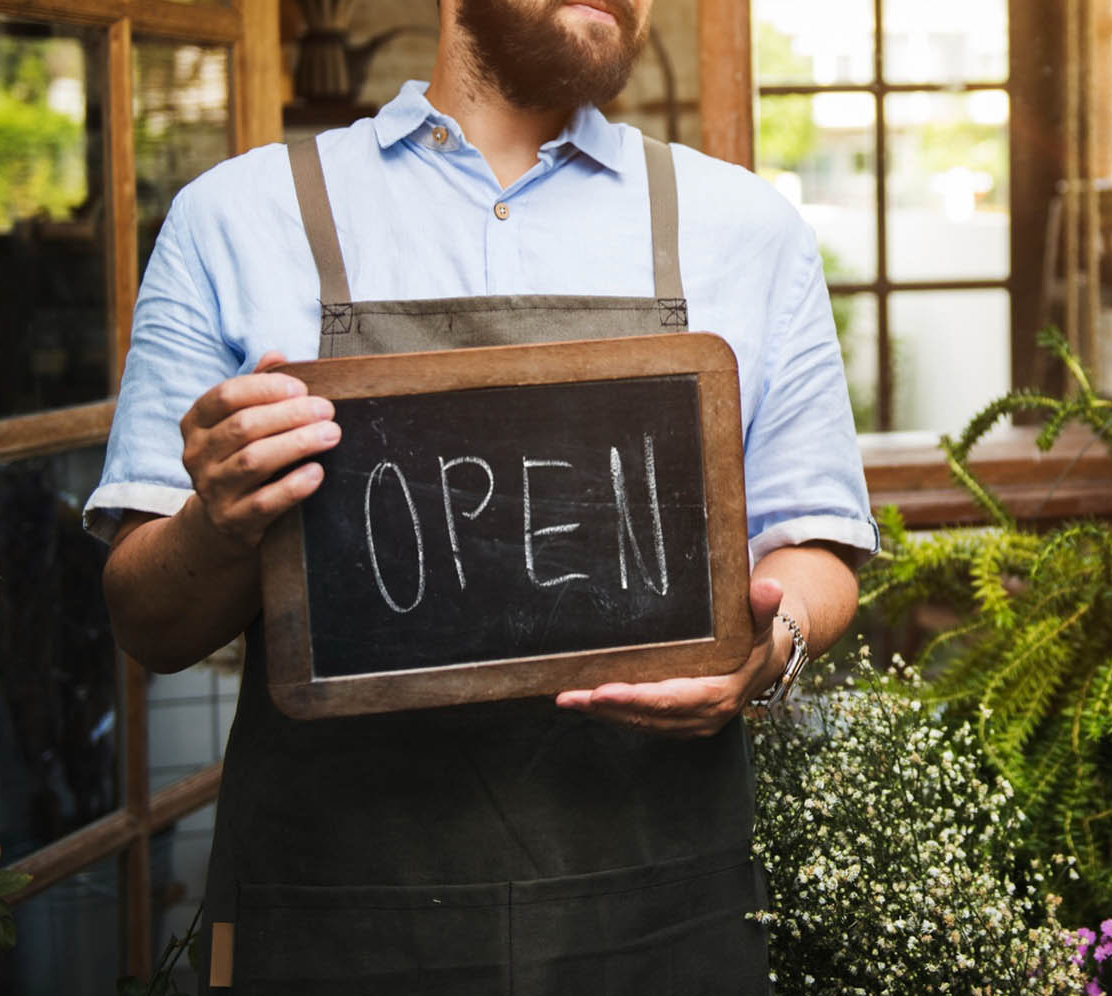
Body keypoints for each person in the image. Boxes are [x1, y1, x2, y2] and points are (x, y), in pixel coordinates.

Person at [86, 0, 874, 990]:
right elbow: (147, 622)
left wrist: (773, 645)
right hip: (337, 921)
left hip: (659, 917)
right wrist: (220, 518)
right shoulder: (238, 218)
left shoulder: (746, 231)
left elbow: (815, 549)